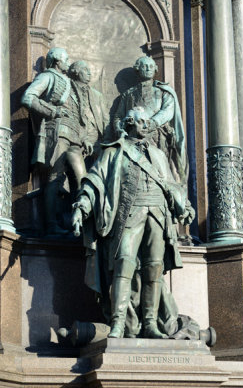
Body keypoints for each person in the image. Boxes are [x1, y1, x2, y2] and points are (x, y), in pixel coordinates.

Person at [72, 106, 194, 339]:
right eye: (141, 121)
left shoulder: (158, 154)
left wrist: (184, 206)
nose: (147, 125)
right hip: (129, 213)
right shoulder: (114, 152)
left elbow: (171, 184)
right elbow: (94, 181)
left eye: (148, 122)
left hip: (158, 215)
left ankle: (150, 324)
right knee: (124, 264)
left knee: (154, 268)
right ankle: (118, 323)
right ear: (129, 123)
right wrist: (82, 207)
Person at [22, 51, 108, 235]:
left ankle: (82, 222)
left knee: (83, 179)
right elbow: (28, 98)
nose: (69, 62)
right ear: (57, 61)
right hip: (58, 133)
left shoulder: (69, 84)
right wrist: (52, 111)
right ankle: (52, 224)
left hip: (75, 138)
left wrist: (84, 138)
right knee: (55, 178)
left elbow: (77, 116)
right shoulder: (47, 77)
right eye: (66, 59)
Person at [113, 56, 188, 186]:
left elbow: (168, 111)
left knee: (161, 171)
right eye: (144, 66)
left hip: (157, 138)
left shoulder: (162, 92)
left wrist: (152, 123)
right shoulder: (128, 94)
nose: (148, 69)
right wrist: (119, 129)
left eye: (151, 66)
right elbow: (118, 117)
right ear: (137, 69)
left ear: (156, 70)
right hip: (132, 140)